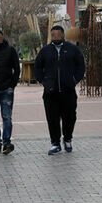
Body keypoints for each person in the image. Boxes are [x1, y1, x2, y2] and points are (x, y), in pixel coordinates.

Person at [34, 25, 85, 155]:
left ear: (62, 35)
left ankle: (67, 139)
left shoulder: (73, 49)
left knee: (70, 117)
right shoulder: (45, 51)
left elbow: (81, 65)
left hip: (68, 91)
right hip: (50, 92)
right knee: (52, 118)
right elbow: (38, 68)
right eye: (53, 35)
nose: (55, 37)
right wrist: (44, 82)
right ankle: (55, 143)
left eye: (58, 34)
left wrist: (74, 80)